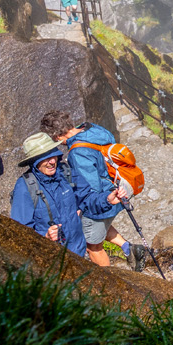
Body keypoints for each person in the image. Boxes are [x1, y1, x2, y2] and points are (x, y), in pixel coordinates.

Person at [40, 109, 127, 266]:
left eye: (54, 139)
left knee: (92, 245)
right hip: (120, 182)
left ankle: (109, 283)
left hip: (107, 195)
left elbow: (90, 189)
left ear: (59, 136)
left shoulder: (77, 152)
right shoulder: (92, 128)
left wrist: (79, 208)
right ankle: (128, 247)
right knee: (96, 226)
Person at [9, 132, 88, 258]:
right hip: (49, 258)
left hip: (78, 251)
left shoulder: (65, 172)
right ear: (34, 162)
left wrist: (107, 199)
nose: (52, 162)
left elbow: (87, 197)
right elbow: (20, 231)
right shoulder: (25, 186)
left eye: (54, 156)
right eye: (45, 158)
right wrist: (45, 236)